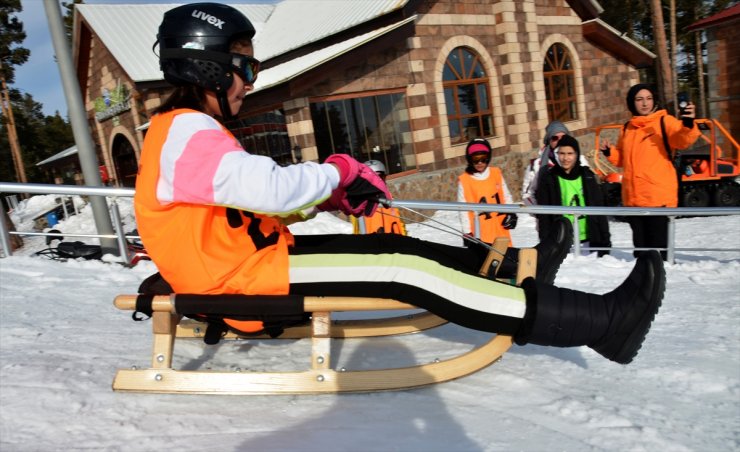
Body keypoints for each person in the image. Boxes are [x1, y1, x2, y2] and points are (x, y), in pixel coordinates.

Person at [135, 3, 666, 365]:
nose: (250, 82)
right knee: (401, 268)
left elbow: (244, 211)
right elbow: (271, 190)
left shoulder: (184, 135)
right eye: (245, 68)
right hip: (240, 282)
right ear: (208, 68)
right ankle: (602, 324)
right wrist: (340, 172)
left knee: (388, 245)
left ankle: (507, 270)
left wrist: (333, 198)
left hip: (252, 265)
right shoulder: (185, 132)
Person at [600, 83, 701, 260]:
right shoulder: (627, 128)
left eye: (648, 98)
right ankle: (645, 284)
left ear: (654, 100)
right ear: (632, 103)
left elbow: (682, 140)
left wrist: (688, 123)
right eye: (639, 99)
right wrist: (610, 153)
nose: (644, 103)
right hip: (633, 199)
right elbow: (623, 160)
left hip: (657, 198)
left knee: (659, 252)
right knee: (640, 251)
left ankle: (664, 282)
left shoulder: (665, 121)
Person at [536, 135, 611, 257]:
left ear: (576, 154)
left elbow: (599, 210)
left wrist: (605, 240)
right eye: (562, 153)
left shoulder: (588, 177)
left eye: (570, 153)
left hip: (589, 242)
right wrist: (545, 244)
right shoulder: (549, 179)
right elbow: (544, 217)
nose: (565, 158)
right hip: (562, 243)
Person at [457, 138, 517, 245]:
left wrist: (512, 213)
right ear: (469, 159)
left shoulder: (496, 173)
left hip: (500, 228)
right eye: (475, 159)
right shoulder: (465, 180)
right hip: (480, 233)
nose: (480, 163)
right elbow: (463, 210)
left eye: (483, 158)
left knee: (505, 257)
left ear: (488, 158)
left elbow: (506, 195)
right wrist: (467, 233)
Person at [351, 160, 407, 235]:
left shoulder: (390, 199)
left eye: (380, 178)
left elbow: (400, 225)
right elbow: (356, 230)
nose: (377, 183)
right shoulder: (359, 205)